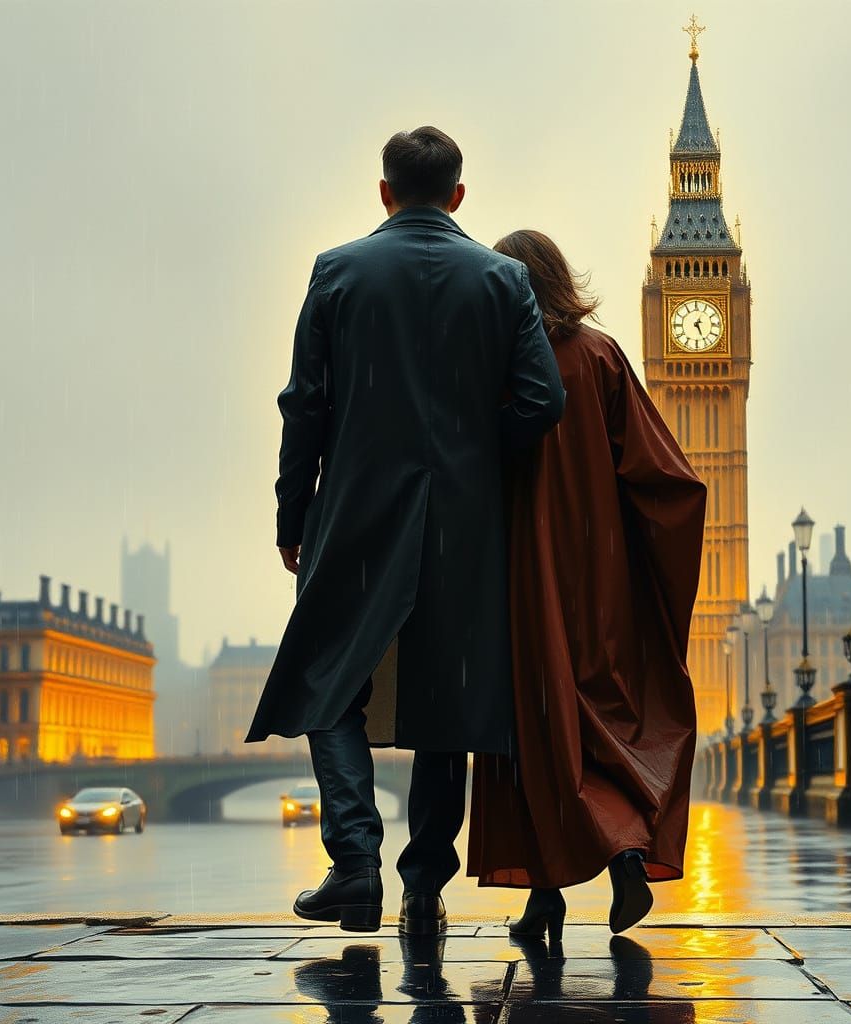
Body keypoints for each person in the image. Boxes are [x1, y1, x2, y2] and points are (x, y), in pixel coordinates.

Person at [246, 130, 566, 934]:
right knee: (445, 697)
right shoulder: (504, 281)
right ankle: (424, 883)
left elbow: (304, 407)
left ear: (384, 192)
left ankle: (355, 862)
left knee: (327, 678)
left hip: (354, 511)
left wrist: (293, 514)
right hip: (464, 520)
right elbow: (541, 402)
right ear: (458, 196)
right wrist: (465, 451)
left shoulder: (338, 271)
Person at [467, 230, 706, 938]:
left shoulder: (497, 367)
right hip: (599, 583)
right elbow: (667, 479)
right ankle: (621, 855)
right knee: (605, 725)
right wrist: (639, 560)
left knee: (531, 733)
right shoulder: (600, 357)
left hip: (519, 585)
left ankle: (547, 894)